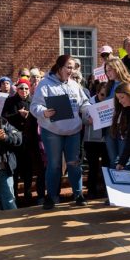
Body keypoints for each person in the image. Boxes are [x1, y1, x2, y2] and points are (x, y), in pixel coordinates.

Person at [30, 55, 90, 210]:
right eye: (68, 67)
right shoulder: (44, 84)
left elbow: (84, 103)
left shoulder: (74, 85)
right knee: (54, 165)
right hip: (52, 131)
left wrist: (90, 113)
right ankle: (51, 196)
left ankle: (78, 194)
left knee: (74, 163)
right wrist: (44, 112)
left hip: (73, 130)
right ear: (59, 67)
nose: (71, 71)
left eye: (73, 68)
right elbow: (34, 106)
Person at [1, 78, 39, 204]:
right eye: (21, 88)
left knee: (28, 169)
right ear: (17, 89)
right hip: (14, 141)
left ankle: (27, 194)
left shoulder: (33, 101)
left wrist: (30, 116)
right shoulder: (10, 101)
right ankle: (15, 196)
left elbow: (38, 119)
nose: (24, 90)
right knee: (15, 169)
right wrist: (18, 114)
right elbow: (4, 118)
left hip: (29, 140)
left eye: (26, 88)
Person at [103, 57, 130, 168]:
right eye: (106, 70)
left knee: (124, 159)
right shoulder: (108, 86)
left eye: (110, 70)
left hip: (125, 127)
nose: (107, 73)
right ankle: (114, 185)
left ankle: (126, 184)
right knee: (113, 159)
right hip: (110, 126)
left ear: (118, 68)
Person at [84, 82, 109, 198]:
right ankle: (91, 191)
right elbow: (83, 119)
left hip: (106, 139)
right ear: (97, 93)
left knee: (106, 166)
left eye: (106, 94)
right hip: (91, 140)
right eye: (102, 94)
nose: (104, 97)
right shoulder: (89, 103)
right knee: (93, 166)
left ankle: (107, 190)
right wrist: (88, 120)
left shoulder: (111, 103)